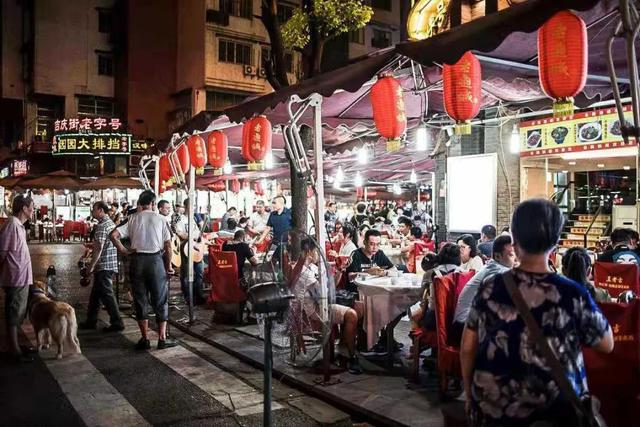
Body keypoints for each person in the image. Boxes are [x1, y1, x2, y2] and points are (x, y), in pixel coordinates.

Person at [461, 199, 614, 425]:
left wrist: (470, 396)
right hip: (557, 412)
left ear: (514, 238)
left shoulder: (491, 288)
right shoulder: (572, 293)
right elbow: (606, 343)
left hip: (495, 411)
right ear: (555, 241)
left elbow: (467, 347)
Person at [110, 190, 177, 350]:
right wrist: (168, 266)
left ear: (140, 203)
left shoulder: (132, 218)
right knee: (160, 299)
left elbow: (113, 235)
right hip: (155, 262)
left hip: (137, 261)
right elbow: (168, 246)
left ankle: (145, 339)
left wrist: (124, 251)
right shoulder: (161, 219)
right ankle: (162, 338)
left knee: (140, 300)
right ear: (153, 203)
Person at [294, 238, 362, 374]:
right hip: (315, 311)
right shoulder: (303, 272)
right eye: (317, 251)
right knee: (352, 315)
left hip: (323, 303)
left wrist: (339, 271)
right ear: (309, 252)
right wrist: (327, 276)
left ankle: (344, 346)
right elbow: (322, 293)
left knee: (360, 307)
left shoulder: (313, 268)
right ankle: (351, 356)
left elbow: (330, 288)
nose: (319, 254)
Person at [450, 235, 516, 344]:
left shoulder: (492, 267)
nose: (516, 259)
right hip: (464, 329)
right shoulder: (497, 272)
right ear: (498, 256)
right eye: (512, 255)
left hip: (466, 324)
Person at [80, 201, 124, 333]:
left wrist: (90, 267)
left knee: (107, 294)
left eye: (94, 209)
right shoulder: (110, 223)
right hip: (109, 263)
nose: (92, 212)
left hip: (104, 264)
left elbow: (99, 248)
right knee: (96, 295)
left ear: (100, 210)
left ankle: (117, 322)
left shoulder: (102, 226)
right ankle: (91, 320)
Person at [0, 195, 35, 363]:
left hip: (21, 276)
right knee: (13, 313)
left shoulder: (19, 225)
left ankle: (15, 345)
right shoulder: (12, 224)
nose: (33, 210)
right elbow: (2, 251)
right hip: (15, 277)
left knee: (18, 312)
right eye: (32, 207)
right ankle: (14, 351)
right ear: (24, 208)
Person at [411, 243, 461, 331]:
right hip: (457, 316)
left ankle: (417, 337)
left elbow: (421, 295)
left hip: (434, 317)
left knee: (414, 316)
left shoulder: (430, 273)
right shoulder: (463, 273)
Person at [174, 198, 206, 305]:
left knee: (199, 272)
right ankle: (188, 297)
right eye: (190, 205)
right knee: (186, 275)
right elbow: (179, 233)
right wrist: (190, 237)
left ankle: (199, 295)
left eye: (193, 205)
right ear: (186, 206)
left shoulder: (194, 218)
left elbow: (198, 233)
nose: (192, 208)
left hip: (196, 248)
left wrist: (200, 239)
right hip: (186, 249)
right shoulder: (180, 219)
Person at [258, 196, 292, 263]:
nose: (273, 205)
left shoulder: (290, 213)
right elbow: (268, 228)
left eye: (274, 203)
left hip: (286, 244)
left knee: (284, 263)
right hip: (274, 243)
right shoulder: (272, 214)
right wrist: (260, 240)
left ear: (281, 203)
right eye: (272, 203)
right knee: (269, 261)